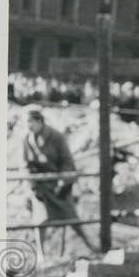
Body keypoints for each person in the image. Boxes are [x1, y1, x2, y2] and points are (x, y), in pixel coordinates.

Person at [22, 106, 97, 260]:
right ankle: (41, 255)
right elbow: (25, 165)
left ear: (40, 121)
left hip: (58, 185)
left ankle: (93, 247)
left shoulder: (56, 137)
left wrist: (63, 183)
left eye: (31, 121)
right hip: (41, 187)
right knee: (40, 221)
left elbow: (67, 162)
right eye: (27, 122)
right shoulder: (27, 139)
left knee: (71, 218)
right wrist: (33, 185)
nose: (29, 125)